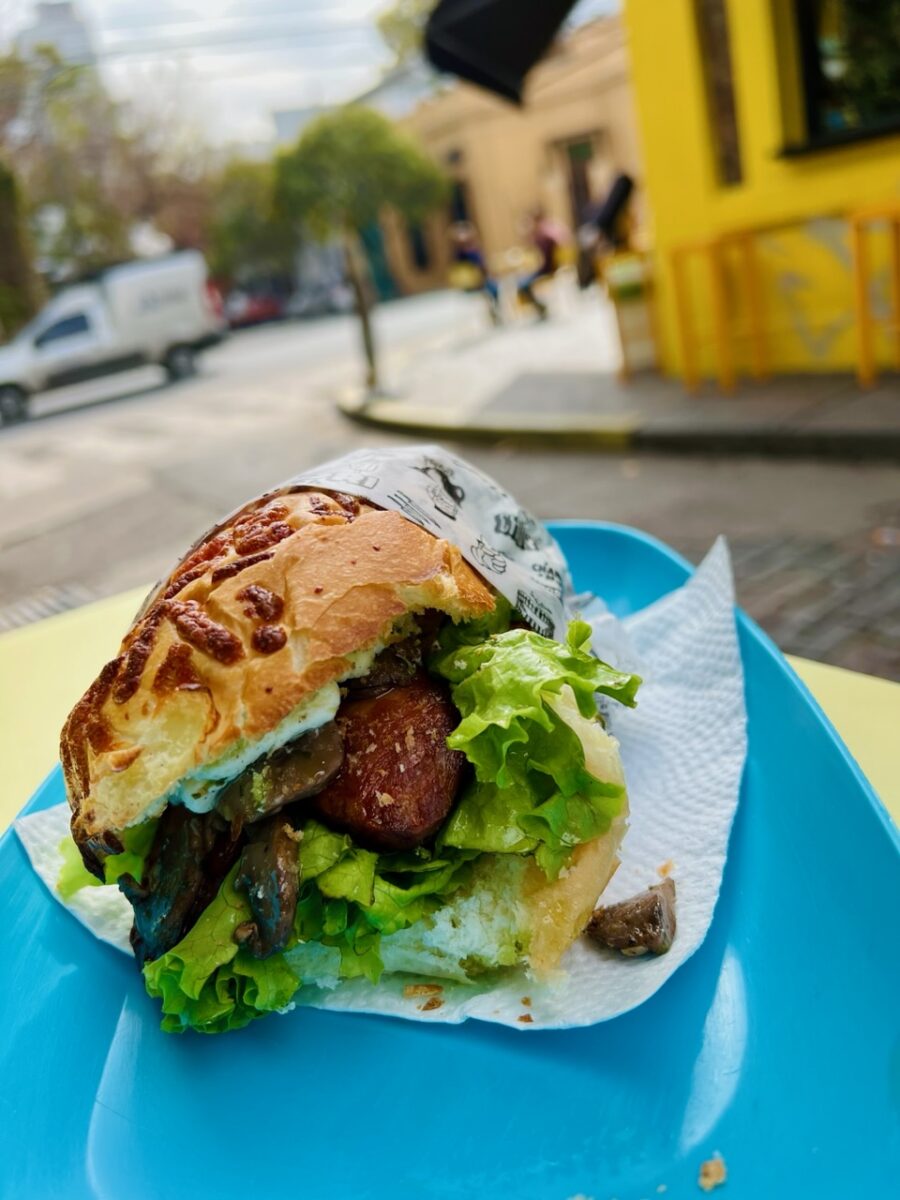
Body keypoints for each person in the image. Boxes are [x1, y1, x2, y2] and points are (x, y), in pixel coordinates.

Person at [517, 207, 569, 319]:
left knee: (522, 284)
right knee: (523, 281)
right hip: (555, 266)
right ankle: (540, 307)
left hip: (548, 268)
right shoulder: (550, 228)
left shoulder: (544, 236)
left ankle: (540, 308)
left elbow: (544, 260)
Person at [450, 221, 501, 324]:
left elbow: (482, 263)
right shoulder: (462, 252)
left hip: (481, 277)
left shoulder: (473, 249)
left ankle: (494, 311)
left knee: (493, 292)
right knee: (492, 291)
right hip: (476, 279)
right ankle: (494, 312)